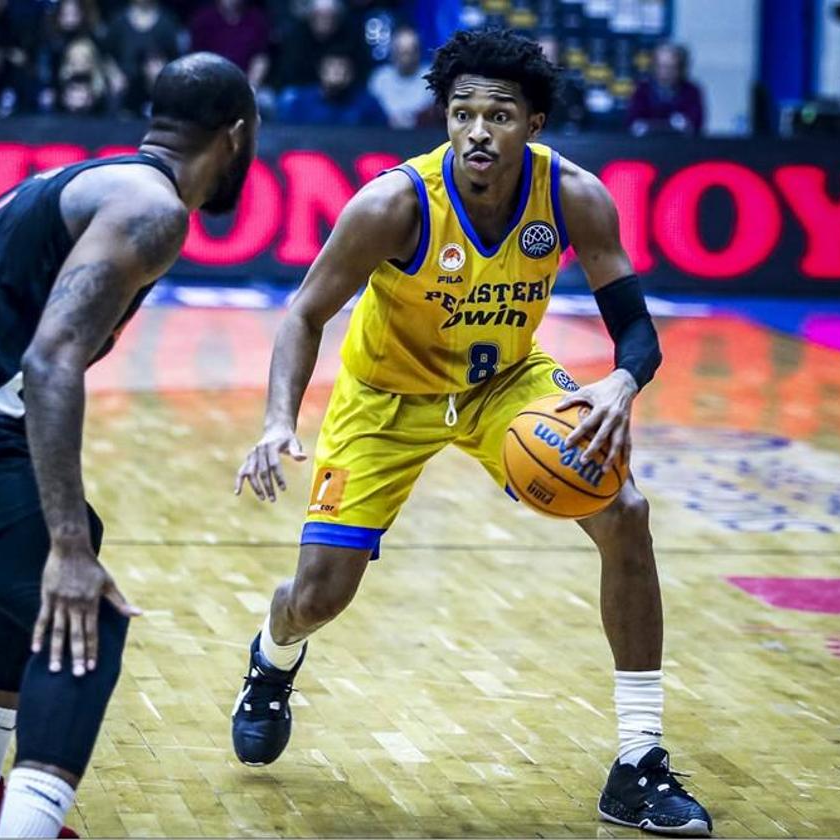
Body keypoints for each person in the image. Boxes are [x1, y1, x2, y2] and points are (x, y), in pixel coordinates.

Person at [231, 28, 713, 837]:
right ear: (445, 119)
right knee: (318, 596)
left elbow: (636, 329)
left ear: (535, 123)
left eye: (498, 114)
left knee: (625, 512)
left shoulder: (574, 196)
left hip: (502, 386)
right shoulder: (393, 203)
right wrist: (279, 420)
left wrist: (623, 381)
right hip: (385, 400)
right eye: (462, 113)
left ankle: (638, 761)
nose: (478, 131)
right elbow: (304, 311)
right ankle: (272, 661)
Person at [0, 52, 257, 839]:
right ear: (237, 135)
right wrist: (61, 549)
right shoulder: (152, 211)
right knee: (85, 610)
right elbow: (51, 359)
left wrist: (69, 536)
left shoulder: (110, 179)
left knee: (72, 554)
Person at [277, 50, 387, 126]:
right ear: (321, 72)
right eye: (331, 68)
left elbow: (383, 135)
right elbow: (288, 135)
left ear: (351, 75)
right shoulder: (302, 102)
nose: (337, 73)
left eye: (342, 68)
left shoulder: (367, 104)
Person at [626, 42, 703, 136]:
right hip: (645, 147)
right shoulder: (641, 90)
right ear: (653, 66)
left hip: (682, 147)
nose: (665, 72)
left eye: (671, 67)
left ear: (681, 68)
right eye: (660, 66)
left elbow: (695, 124)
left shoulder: (692, 92)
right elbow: (633, 122)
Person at [367, 24, 434, 128]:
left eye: (410, 51)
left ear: (419, 52)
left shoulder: (431, 78)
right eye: (401, 51)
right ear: (393, 52)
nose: (406, 58)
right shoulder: (379, 78)